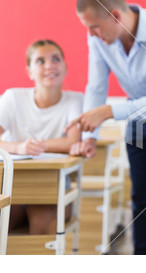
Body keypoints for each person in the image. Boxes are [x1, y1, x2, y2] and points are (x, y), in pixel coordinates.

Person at [70, 0, 146, 255]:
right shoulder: (98, 38)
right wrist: (90, 136)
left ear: (115, 16)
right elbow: (96, 88)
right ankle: (142, 257)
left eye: (93, 26)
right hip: (137, 113)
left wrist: (106, 113)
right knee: (141, 195)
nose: (90, 34)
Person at [0, 40, 82, 234]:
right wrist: (18, 148)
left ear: (65, 67)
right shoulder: (13, 98)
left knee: (42, 223)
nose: (50, 66)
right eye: (40, 61)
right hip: (12, 186)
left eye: (56, 59)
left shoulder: (75, 100)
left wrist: (40, 145)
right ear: (29, 71)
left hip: (52, 189)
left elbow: (72, 142)